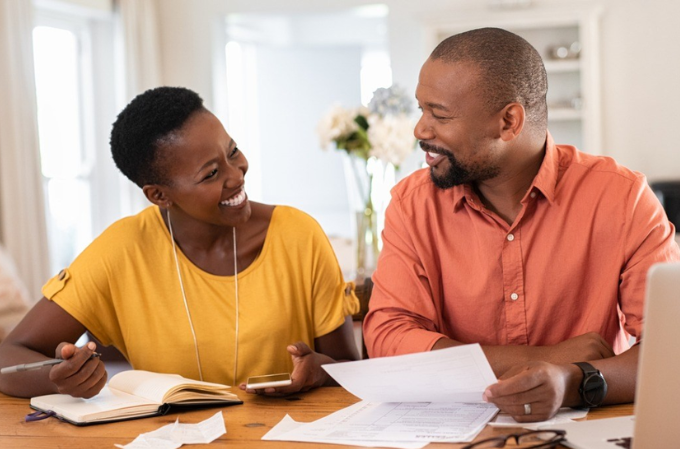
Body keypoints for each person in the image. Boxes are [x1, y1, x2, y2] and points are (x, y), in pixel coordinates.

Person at [363, 28, 680, 423]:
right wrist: (540, 359)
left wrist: (571, 379)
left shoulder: (622, 198)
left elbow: (670, 350)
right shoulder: (412, 205)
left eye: (439, 115)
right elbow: (388, 338)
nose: (420, 130)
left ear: (509, 121)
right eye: (421, 110)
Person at [0, 86, 359, 399]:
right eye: (211, 174)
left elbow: (348, 369)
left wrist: (316, 372)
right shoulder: (122, 250)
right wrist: (56, 377)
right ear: (159, 195)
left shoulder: (299, 235)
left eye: (232, 152)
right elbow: (11, 353)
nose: (237, 174)